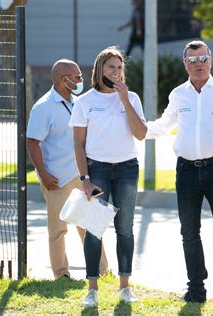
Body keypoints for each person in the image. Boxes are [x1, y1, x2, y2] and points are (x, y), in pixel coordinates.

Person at [146, 40, 213, 304]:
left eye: (203, 59)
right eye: (192, 60)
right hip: (186, 171)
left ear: (210, 60)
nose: (198, 65)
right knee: (189, 232)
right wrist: (135, 126)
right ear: (185, 64)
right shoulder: (178, 94)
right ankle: (196, 289)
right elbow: (163, 125)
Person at [70, 46, 147, 308]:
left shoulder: (132, 98)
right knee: (94, 229)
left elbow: (141, 134)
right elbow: (78, 145)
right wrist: (85, 179)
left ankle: (125, 286)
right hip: (97, 170)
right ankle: (92, 288)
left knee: (125, 229)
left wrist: (124, 100)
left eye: (120, 67)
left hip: (127, 168)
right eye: (111, 67)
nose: (116, 71)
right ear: (99, 69)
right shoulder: (85, 102)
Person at [27, 59, 109, 280]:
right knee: (58, 230)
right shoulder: (43, 107)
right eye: (77, 76)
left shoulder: (79, 103)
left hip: (83, 176)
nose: (81, 79)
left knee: (90, 226)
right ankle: (61, 274)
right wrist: (43, 174)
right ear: (65, 80)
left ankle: (102, 270)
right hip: (57, 178)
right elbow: (32, 142)